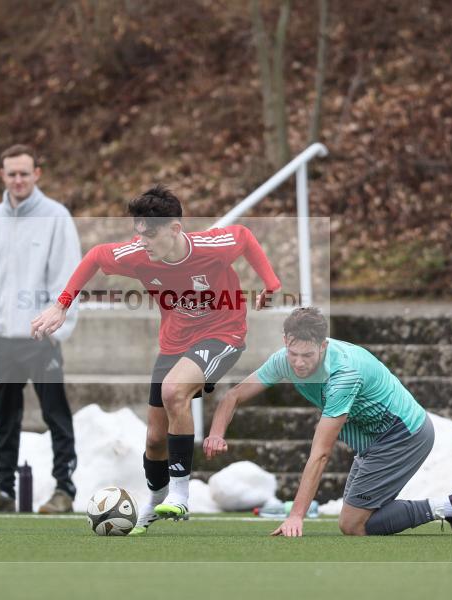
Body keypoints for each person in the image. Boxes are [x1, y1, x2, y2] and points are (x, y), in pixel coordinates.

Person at [31, 184, 281, 534]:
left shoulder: (212, 247)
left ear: (175, 229)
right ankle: (157, 499)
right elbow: (96, 257)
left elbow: (244, 236)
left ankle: (180, 496)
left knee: (174, 391)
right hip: (174, 342)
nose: (142, 241)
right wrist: (61, 305)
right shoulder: (137, 255)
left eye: (150, 234)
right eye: (139, 233)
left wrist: (271, 284)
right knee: (154, 439)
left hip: (222, 334)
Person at [204, 307, 452, 537]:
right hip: (373, 440)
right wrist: (216, 433)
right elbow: (233, 396)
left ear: (323, 346)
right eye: (293, 354)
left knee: (353, 525)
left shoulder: (343, 375)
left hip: (403, 434)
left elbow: (321, 453)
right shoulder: (284, 360)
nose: (299, 363)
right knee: (360, 519)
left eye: (307, 355)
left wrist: (296, 515)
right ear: (285, 342)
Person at [0, 144, 81, 514]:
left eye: (24, 174)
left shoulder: (56, 217)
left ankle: (64, 489)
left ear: (37, 174)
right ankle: (4, 490)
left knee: (55, 414)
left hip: (41, 337)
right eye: (11, 174)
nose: (18, 180)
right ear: (2, 175)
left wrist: (57, 329)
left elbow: (68, 276)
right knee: (5, 419)